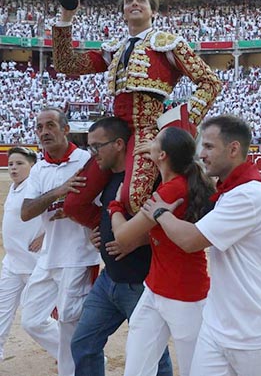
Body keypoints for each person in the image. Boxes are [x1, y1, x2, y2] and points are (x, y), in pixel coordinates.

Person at [52, 0, 222, 227]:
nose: (134, 3)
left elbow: (210, 83)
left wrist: (173, 129)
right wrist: (67, 15)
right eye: (129, 0)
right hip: (114, 134)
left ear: (153, 12)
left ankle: (143, 242)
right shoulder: (114, 49)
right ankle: (108, 234)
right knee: (73, 203)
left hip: (148, 131)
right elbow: (66, 63)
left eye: (141, 0)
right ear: (122, 12)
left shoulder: (168, 44)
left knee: (135, 198)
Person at [140, 115, 261, 376]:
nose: (201, 154)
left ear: (233, 149)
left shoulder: (249, 194)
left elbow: (190, 241)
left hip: (257, 331)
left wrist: (160, 213)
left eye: (209, 147)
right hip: (221, 323)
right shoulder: (233, 191)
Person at [69, 117, 172, 376]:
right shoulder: (109, 178)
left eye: (96, 147)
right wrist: (100, 232)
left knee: (154, 357)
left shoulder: (148, 177)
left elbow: (177, 221)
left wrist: (139, 239)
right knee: (83, 342)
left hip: (141, 282)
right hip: (109, 279)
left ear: (118, 144)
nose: (92, 155)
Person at [111, 126, 213, 376]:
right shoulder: (182, 182)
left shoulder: (170, 190)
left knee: (194, 368)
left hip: (181, 293)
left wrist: (114, 206)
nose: (149, 144)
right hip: (163, 287)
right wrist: (154, 152)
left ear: (163, 155)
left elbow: (123, 236)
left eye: (155, 142)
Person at [20, 107, 101, 376]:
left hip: (78, 254)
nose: (44, 132)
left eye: (50, 125)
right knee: (31, 319)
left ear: (65, 129)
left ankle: (75, 367)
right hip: (49, 254)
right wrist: (60, 191)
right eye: (40, 127)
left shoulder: (85, 161)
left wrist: (74, 208)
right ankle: (77, 358)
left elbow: (102, 204)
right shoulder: (40, 167)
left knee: (70, 322)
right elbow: (26, 211)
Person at [0, 147, 45, 360]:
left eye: (20, 163)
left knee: (37, 320)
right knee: (1, 312)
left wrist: (44, 235)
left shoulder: (37, 186)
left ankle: (76, 356)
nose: (14, 168)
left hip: (33, 263)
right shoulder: (14, 187)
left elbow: (62, 211)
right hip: (12, 261)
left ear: (32, 165)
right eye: (11, 164)